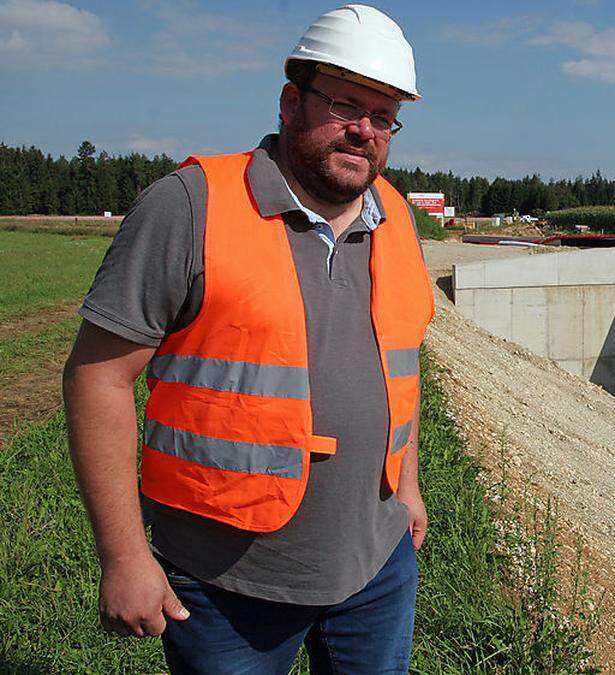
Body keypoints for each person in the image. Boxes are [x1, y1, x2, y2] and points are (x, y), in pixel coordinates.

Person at [61, 5, 434, 673]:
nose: (364, 130)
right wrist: (123, 557)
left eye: (383, 117)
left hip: (376, 567)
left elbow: (400, 364)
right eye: (346, 104)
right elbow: (98, 376)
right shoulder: (191, 205)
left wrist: (407, 485)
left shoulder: (397, 219)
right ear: (292, 103)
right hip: (226, 586)